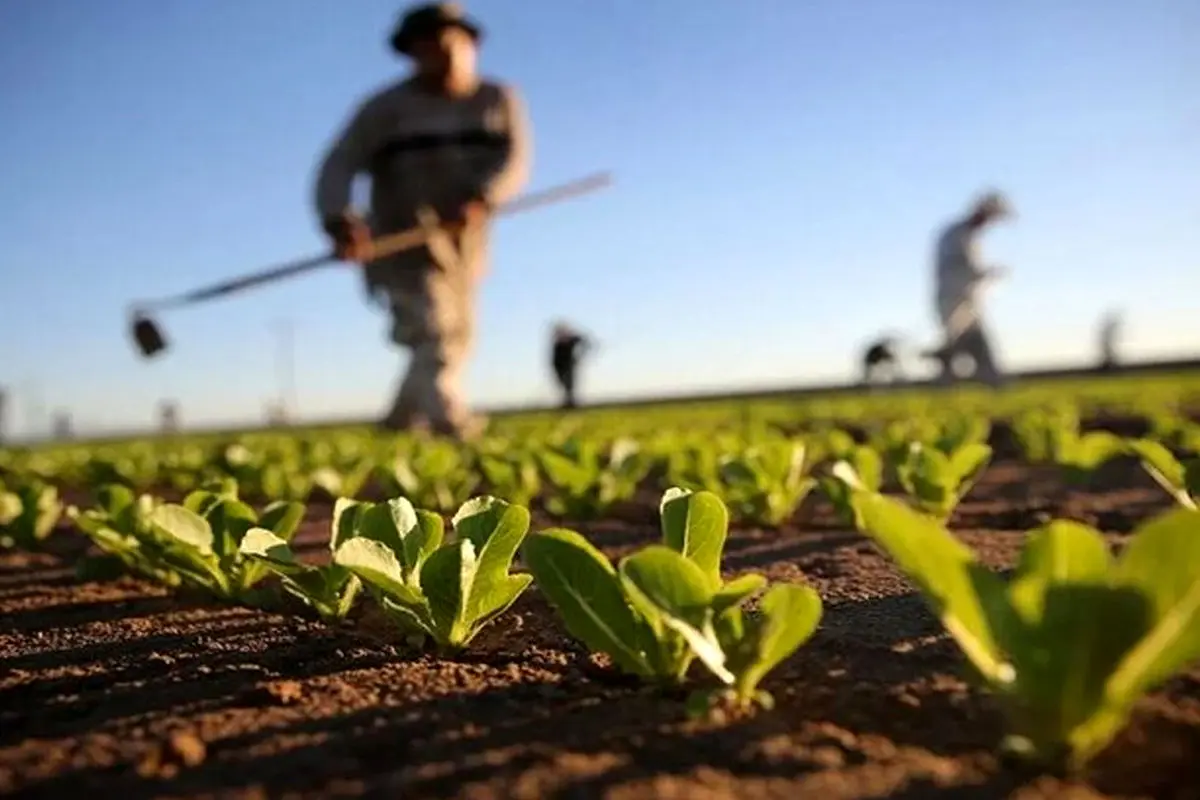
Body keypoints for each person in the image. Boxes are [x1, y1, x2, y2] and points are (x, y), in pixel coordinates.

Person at [312, 3, 532, 438]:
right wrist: (339, 219)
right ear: (412, 53)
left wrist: (483, 197)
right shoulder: (384, 109)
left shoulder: (497, 99)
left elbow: (515, 160)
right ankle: (451, 424)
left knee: (457, 338)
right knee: (435, 334)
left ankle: (397, 424)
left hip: (464, 247)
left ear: (471, 45)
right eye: (429, 46)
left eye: (452, 43)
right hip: (401, 244)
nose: (443, 54)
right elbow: (337, 166)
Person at [927, 191, 1013, 387]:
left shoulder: (970, 237)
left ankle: (993, 384)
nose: (990, 223)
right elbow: (956, 267)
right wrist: (986, 273)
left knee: (974, 346)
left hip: (968, 303)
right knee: (960, 346)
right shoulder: (955, 234)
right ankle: (953, 386)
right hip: (952, 302)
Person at [550, 322, 592, 409]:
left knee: (570, 385)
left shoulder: (572, 339)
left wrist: (580, 355)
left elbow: (586, 342)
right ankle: (568, 402)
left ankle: (570, 403)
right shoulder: (557, 345)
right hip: (559, 367)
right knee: (565, 385)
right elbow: (554, 360)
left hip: (570, 366)